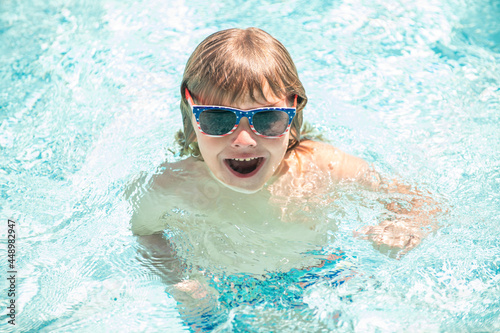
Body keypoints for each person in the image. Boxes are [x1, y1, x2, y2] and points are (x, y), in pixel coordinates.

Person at [128, 27, 439, 323]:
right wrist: (180, 280)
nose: (244, 140)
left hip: (317, 278)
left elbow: (420, 201)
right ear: (191, 109)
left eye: (267, 119)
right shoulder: (174, 184)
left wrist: (406, 226)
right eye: (218, 119)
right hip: (220, 291)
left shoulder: (322, 166)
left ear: (292, 109)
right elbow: (144, 232)